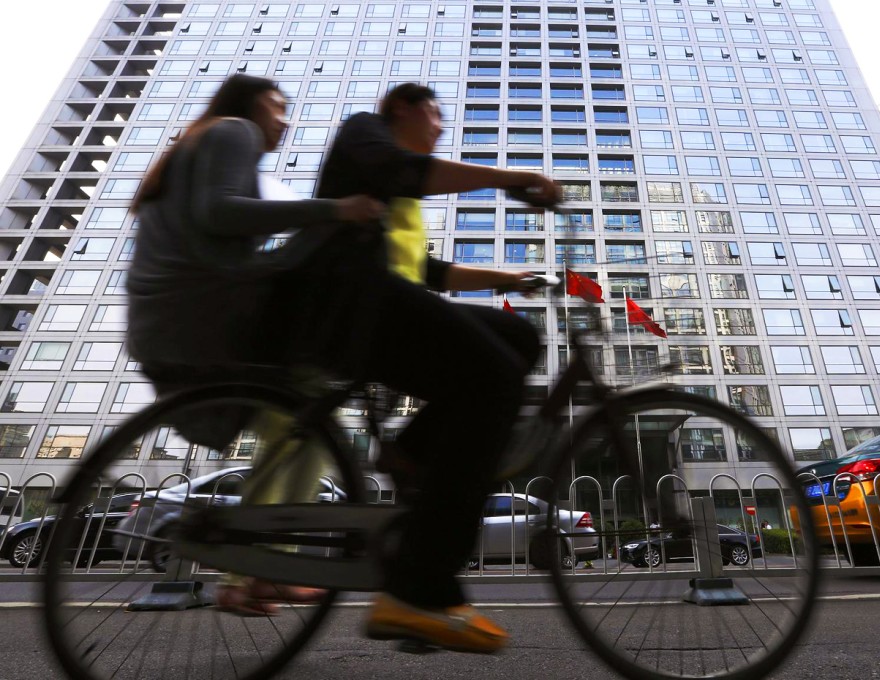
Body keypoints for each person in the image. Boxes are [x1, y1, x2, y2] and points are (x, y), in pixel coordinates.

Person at [313, 83, 560, 653]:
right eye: (434, 112)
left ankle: (410, 450)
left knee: (518, 337)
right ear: (401, 108)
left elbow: (428, 273)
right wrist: (510, 178)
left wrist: (505, 280)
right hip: (351, 305)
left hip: (384, 302)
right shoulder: (365, 137)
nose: (441, 124)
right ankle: (419, 590)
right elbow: (408, 170)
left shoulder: (398, 202)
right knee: (493, 377)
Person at [127, 74, 385, 615]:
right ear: (250, 105)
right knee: (313, 411)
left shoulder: (198, 140)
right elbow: (221, 212)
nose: (283, 120)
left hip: (169, 321)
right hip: (206, 313)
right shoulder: (233, 130)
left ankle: (256, 570)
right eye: (277, 106)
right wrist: (333, 210)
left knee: (293, 427)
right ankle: (263, 564)